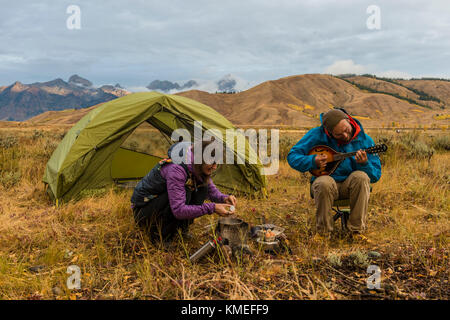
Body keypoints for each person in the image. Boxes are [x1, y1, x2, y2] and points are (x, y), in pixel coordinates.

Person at [287, 108, 381, 237]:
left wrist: (365, 164)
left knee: (361, 177)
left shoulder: (365, 140)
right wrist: (312, 160)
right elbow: (292, 156)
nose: (346, 136)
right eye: (339, 135)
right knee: (323, 183)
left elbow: (375, 175)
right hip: (327, 185)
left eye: (346, 130)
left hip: (351, 186)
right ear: (329, 133)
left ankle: (356, 231)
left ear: (348, 120)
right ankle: (323, 234)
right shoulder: (317, 135)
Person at [131, 140, 236, 244]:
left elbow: (211, 190)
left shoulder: (197, 166)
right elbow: (178, 210)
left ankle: (181, 230)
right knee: (186, 192)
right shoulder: (177, 169)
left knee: (202, 189)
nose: (215, 167)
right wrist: (212, 208)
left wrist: (224, 198)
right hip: (144, 212)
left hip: (159, 206)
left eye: (216, 162)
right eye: (212, 162)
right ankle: (160, 237)